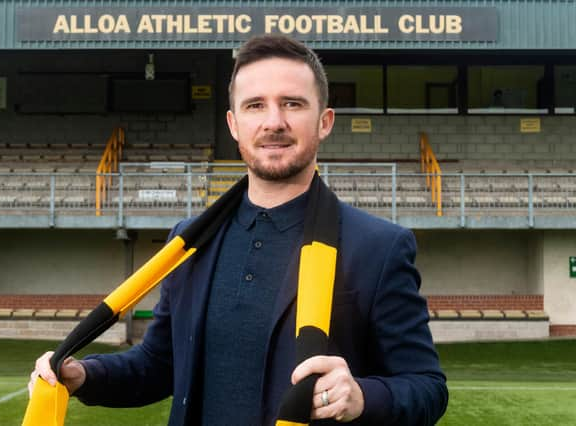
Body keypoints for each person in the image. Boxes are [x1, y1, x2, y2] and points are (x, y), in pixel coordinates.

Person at [29, 34, 448, 425]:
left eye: (293, 104)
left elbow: (427, 388)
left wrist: (361, 395)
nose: (274, 121)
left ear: (324, 121)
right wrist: (83, 374)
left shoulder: (378, 246)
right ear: (233, 125)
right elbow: (159, 365)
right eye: (255, 106)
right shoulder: (189, 242)